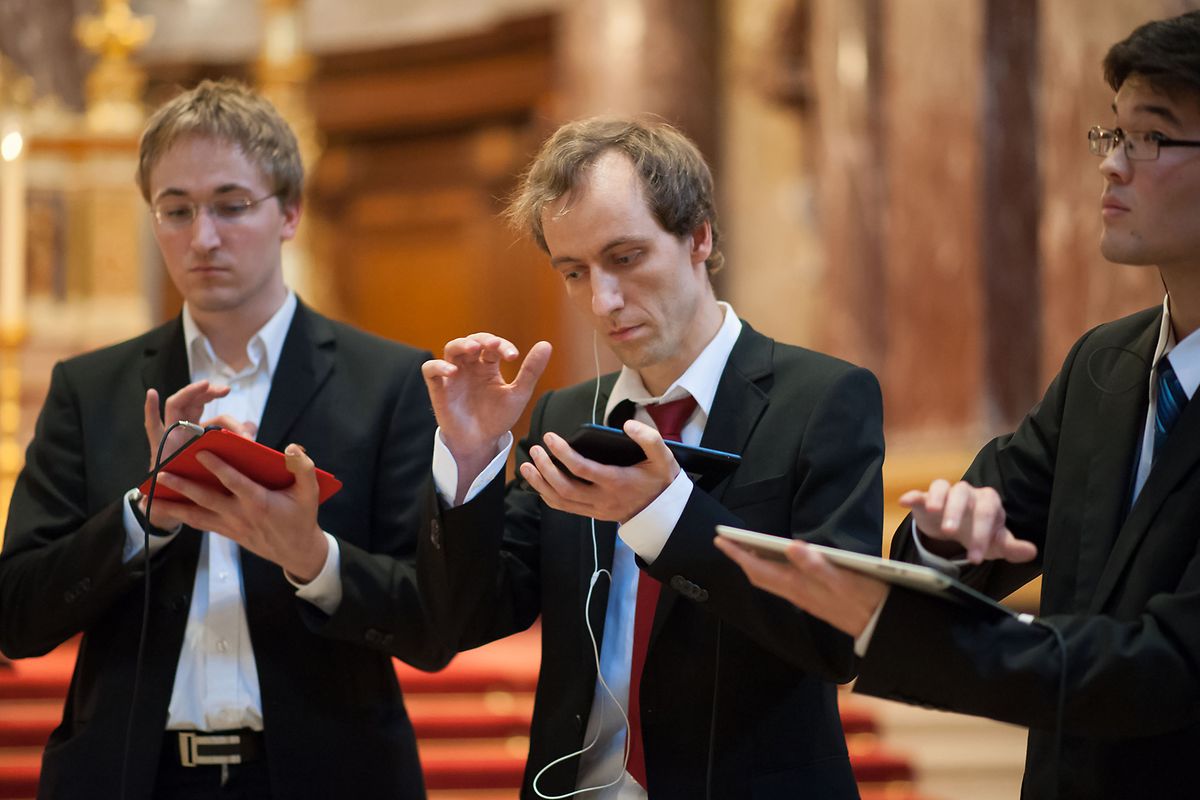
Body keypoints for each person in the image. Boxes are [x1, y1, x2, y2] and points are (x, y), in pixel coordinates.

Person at [718, 10, 1200, 800]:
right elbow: (971, 526)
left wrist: (893, 629)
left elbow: (1168, 666)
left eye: (1150, 137)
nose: (1112, 166)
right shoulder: (1103, 366)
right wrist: (946, 541)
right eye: (1110, 136)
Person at [0, 79, 449, 800]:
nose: (202, 237)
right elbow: (15, 619)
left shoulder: (390, 382)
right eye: (176, 210)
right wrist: (143, 517)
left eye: (232, 206)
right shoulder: (91, 390)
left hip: (325, 776)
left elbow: (433, 623)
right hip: (129, 776)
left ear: (290, 214)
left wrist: (314, 559)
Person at [418, 117, 884, 799]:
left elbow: (835, 639)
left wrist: (665, 517)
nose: (601, 301)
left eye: (626, 257)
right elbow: (468, 616)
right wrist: (468, 462)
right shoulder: (565, 416)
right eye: (574, 272)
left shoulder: (822, 400)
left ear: (699, 235)